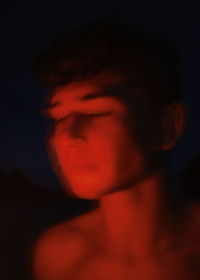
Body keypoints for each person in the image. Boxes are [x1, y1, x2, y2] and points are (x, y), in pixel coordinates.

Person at [32, 18, 200, 280]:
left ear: (167, 124)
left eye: (96, 112)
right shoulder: (56, 254)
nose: (65, 136)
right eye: (58, 118)